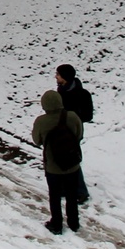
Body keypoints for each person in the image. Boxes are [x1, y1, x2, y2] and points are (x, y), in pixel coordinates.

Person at [32, 89, 84, 235]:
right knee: (71, 195)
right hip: (72, 164)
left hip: (53, 167)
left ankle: (56, 224)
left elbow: (37, 141)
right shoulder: (72, 116)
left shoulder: (41, 121)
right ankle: (74, 222)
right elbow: (79, 135)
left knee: (54, 196)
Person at [56, 63, 93, 203]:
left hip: (72, 131)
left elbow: (88, 116)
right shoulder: (60, 91)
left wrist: (72, 118)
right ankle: (65, 188)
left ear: (65, 77)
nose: (56, 77)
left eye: (58, 74)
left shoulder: (82, 94)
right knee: (61, 158)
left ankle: (81, 191)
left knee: (72, 160)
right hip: (60, 130)